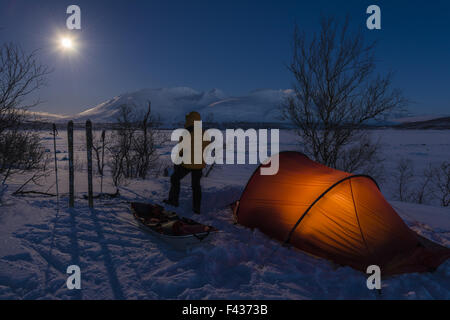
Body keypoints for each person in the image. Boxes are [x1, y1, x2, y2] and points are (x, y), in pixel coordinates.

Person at [164, 111, 208, 214]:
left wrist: (177, 161)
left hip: (187, 164)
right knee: (196, 186)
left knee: (175, 178)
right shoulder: (204, 132)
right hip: (199, 164)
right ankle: (196, 208)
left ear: (190, 120)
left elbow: (181, 149)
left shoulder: (187, 132)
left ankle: (173, 201)